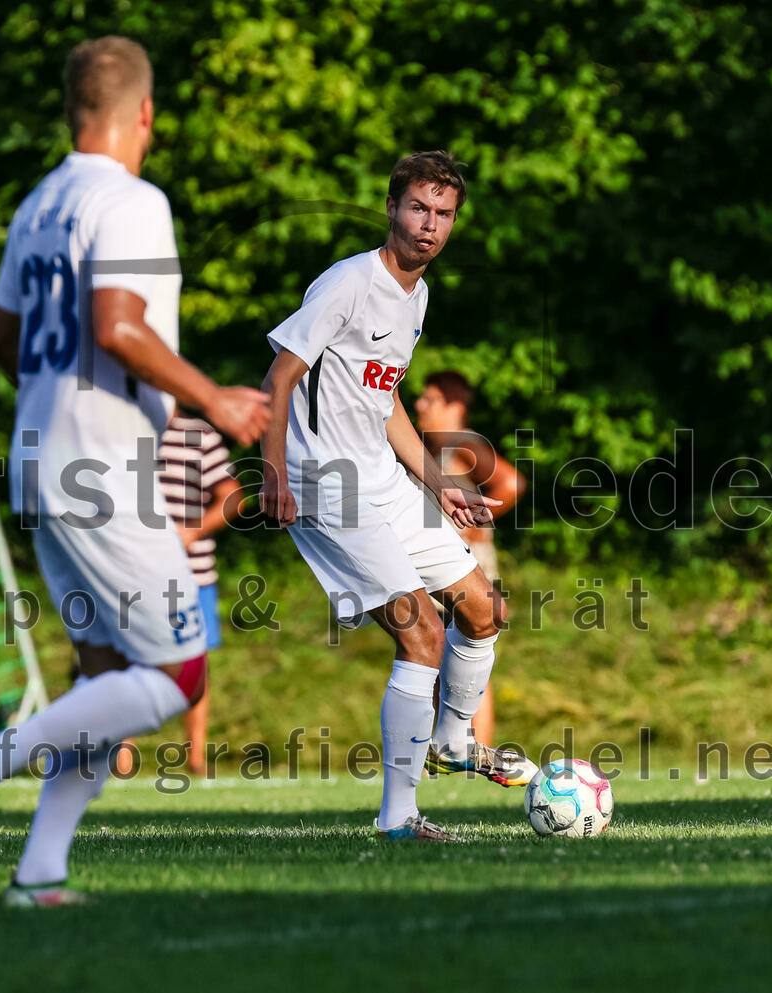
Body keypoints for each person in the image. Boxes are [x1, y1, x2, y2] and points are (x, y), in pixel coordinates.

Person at [0, 36, 268, 904]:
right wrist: (216, 401)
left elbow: (2, 342)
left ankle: (39, 873)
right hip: (103, 464)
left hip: (39, 456)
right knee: (176, 674)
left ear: (70, 110)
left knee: (104, 675)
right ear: (144, 113)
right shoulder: (131, 200)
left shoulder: (38, 203)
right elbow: (119, 324)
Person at [260, 150, 536, 842]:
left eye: (443, 214)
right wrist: (272, 472)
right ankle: (399, 818)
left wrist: (437, 483)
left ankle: (451, 741)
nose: (429, 225)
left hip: (382, 476)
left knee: (485, 610)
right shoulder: (349, 282)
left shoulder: (416, 297)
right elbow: (279, 377)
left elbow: (382, 402)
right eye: (418, 208)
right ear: (391, 208)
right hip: (324, 480)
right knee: (421, 631)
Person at [115, 412, 243, 776]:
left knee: (192, 665)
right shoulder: (118, 431)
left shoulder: (199, 436)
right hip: (129, 573)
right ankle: (121, 759)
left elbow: (233, 497)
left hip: (191, 573)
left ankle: (195, 758)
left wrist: (190, 532)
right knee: (128, 662)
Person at [414, 371, 527, 748]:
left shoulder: (458, 442)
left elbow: (511, 482)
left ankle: (474, 751)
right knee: (435, 661)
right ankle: (445, 749)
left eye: (430, 399)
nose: (420, 405)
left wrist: (482, 520)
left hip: (463, 568)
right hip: (438, 570)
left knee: (467, 662)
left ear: (454, 406)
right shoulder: (431, 447)